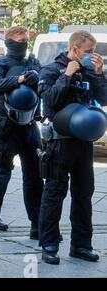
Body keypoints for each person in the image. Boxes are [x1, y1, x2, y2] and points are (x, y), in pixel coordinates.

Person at [38, 30, 107, 264]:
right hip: (60, 142)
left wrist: (99, 74)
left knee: (84, 195)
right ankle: (49, 243)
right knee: (54, 193)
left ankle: (81, 245)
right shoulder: (51, 70)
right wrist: (66, 76)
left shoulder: (89, 70)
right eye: (89, 51)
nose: (93, 55)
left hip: (83, 143)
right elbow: (48, 102)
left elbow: (104, 99)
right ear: (75, 49)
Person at [0, 26, 43, 245]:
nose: (24, 42)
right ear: (8, 41)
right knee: (0, 176)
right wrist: (21, 79)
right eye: (20, 39)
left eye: (26, 39)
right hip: (6, 127)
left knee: (34, 178)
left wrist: (36, 79)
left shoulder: (33, 62)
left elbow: (43, 86)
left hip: (30, 126)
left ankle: (36, 224)